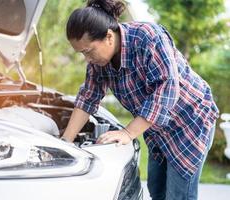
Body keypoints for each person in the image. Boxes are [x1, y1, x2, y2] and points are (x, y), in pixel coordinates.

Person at [61, 0, 219, 199]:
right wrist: (65, 142)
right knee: (157, 190)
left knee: (179, 195)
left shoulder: (148, 37)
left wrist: (128, 132)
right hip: (157, 128)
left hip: (189, 121)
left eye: (88, 51)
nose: (87, 59)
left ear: (109, 36)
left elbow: (167, 88)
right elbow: (88, 97)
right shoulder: (98, 62)